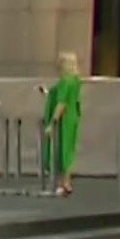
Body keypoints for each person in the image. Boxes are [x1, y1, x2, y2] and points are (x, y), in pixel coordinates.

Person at [42, 51, 82, 196]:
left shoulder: (66, 81)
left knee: (62, 149)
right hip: (72, 117)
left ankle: (63, 183)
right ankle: (66, 183)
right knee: (68, 149)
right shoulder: (75, 80)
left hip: (64, 119)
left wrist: (53, 122)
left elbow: (62, 103)